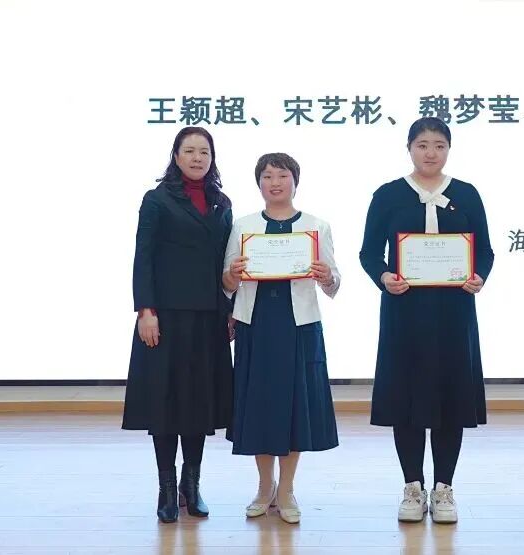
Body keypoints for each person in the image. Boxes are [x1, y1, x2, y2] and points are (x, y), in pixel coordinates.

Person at [359, 117, 494, 524]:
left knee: (451, 399)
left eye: (438, 145)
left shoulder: (467, 194)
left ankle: (444, 488)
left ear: (449, 149)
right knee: (407, 399)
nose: (430, 153)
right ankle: (413, 487)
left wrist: (478, 276)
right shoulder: (388, 195)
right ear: (409, 149)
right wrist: (384, 276)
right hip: (405, 311)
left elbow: (484, 251)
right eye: (422, 145)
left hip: (454, 312)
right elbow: (369, 253)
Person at [122, 126, 234, 523]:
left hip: (208, 317)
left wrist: (230, 310)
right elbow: (143, 257)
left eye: (204, 151)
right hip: (165, 318)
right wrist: (145, 310)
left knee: (199, 405)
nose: (197, 158)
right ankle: (166, 488)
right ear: (176, 156)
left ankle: (192, 484)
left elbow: (225, 263)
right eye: (189, 151)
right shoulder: (157, 200)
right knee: (166, 404)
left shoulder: (221, 203)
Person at [222, 153, 340, 524]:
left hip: (299, 326)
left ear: (295, 181)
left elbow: (334, 283)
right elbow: (226, 282)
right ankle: (264, 486)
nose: (275, 183)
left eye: (282, 175)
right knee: (259, 406)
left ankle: (286, 489)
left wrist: (325, 276)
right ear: (259, 183)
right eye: (268, 176)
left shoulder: (316, 226)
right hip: (255, 325)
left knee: (294, 409)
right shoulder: (243, 226)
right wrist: (233, 274)